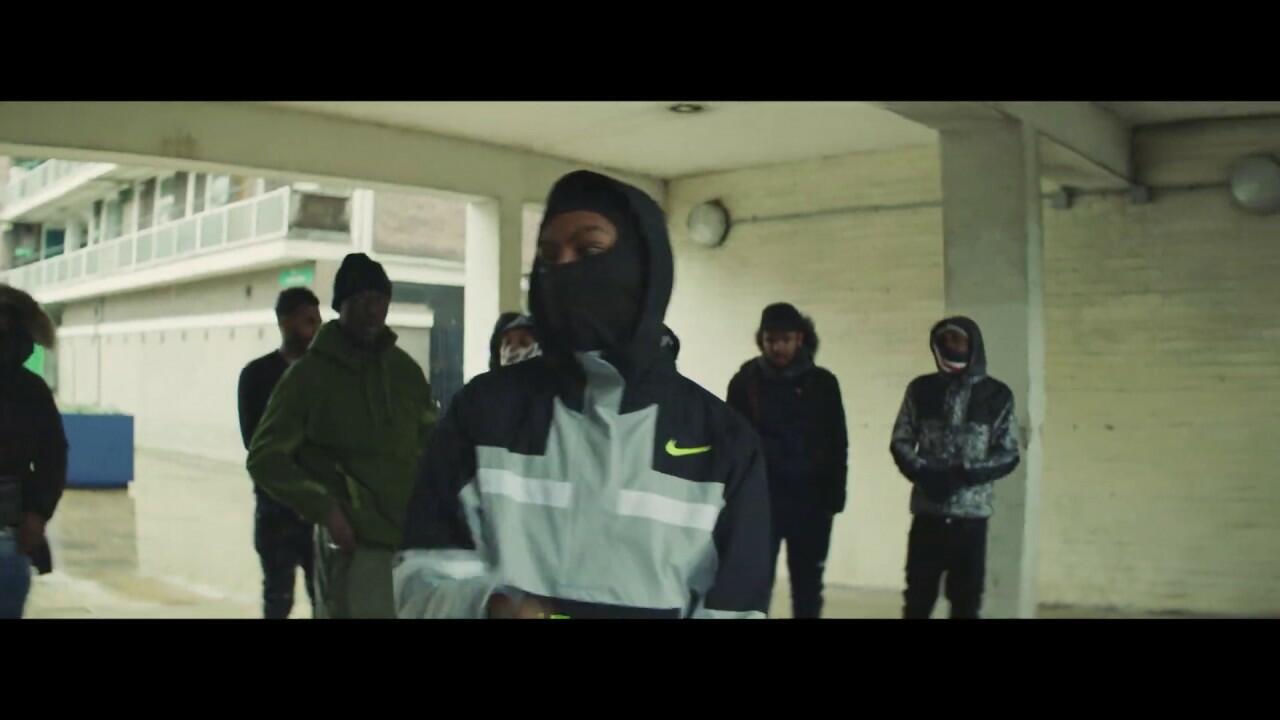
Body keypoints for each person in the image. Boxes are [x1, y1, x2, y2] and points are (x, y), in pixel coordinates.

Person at [393, 170, 773, 619]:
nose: (565, 270)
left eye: (590, 251)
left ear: (642, 266)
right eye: (549, 255)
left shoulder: (722, 443)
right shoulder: (485, 413)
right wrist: (488, 608)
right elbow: (421, 581)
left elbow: (737, 609)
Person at [247, 254, 436, 619]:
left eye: (380, 300)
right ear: (340, 306)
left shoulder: (404, 372)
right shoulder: (309, 376)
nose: (372, 310)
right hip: (354, 545)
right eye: (361, 300)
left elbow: (430, 444)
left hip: (411, 542)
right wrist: (326, 510)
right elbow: (264, 457)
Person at [890, 317, 1020, 620]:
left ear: (972, 345)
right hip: (928, 515)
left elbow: (1008, 452)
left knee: (966, 602)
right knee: (917, 600)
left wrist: (965, 474)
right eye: (943, 340)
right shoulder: (920, 389)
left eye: (956, 339)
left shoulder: (997, 395)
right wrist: (923, 473)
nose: (949, 346)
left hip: (970, 521)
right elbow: (900, 440)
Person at [727, 303, 848, 619]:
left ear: (800, 339)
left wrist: (833, 498)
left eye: (785, 340)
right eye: (771, 340)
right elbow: (732, 442)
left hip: (810, 503)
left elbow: (837, 443)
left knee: (807, 587)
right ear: (761, 339)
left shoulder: (823, 383)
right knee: (754, 583)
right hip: (760, 500)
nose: (778, 347)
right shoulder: (745, 382)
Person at [237, 287, 322, 619]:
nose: (316, 328)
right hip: (276, 512)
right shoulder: (257, 375)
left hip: (321, 512)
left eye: (318, 320)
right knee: (277, 599)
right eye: (308, 321)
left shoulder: (325, 375)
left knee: (326, 599)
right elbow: (256, 442)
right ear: (285, 322)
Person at [0, 285, 67, 619]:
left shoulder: (30, 390)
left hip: (8, 531)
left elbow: (52, 455)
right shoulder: (31, 389)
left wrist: (37, 514)